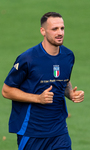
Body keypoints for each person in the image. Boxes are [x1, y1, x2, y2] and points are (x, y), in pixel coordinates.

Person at [2, 12, 84, 150]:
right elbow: (6, 90)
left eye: (62, 28)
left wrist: (70, 93)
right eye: (54, 29)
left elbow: (63, 81)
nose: (60, 33)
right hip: (32, 131)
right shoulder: (28, 58)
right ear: (43, 31)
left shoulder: (68, 56)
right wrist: (38, 98)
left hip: (59, 131)